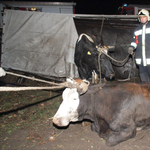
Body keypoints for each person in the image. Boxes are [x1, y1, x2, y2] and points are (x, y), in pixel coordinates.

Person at [128, 9, 150, 83]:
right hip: (141, 60)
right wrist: (131, 47)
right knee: (144, 80)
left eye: (144, 17)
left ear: (147, 17)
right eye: (140, 17)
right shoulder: (137, 30)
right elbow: (135, 41)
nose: (142, 18)